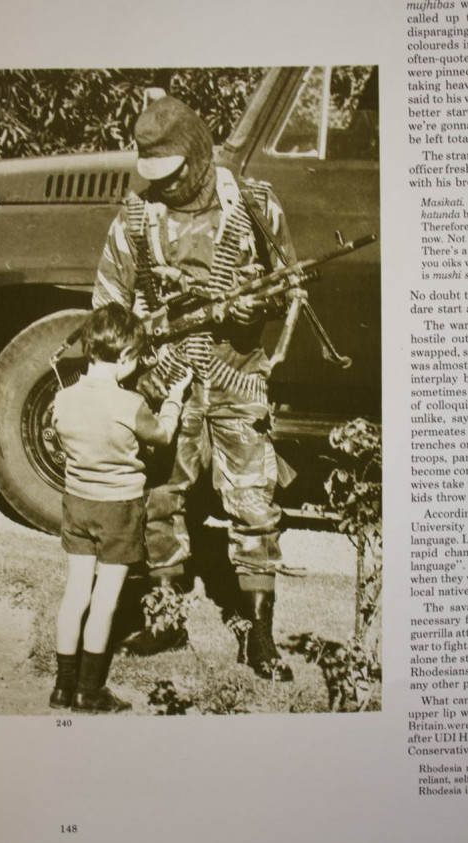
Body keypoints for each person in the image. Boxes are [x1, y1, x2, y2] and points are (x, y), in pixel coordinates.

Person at [93, 95, 296, 682]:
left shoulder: (254, 205)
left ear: (200, 153)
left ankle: (259, 634)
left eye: (175, 172)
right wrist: (135, 361)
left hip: (237, 375)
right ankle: (163, 618)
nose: (166, 186)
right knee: (159, 499)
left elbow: (289, 285)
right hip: (167, 381)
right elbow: (108, 306)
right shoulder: (136, 217)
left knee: (254, 505)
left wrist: (259, 303)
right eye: (154, 174)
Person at [49, 303, 192, 712]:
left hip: (77, 504)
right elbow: (162, 435)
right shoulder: (130, 403)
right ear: (127, 355)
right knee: (105, 599)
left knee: (76, 592)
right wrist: (175, 399)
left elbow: (61, 438)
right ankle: (89, 692)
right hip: (118, 510)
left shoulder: (63, 398)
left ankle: (62, 688)